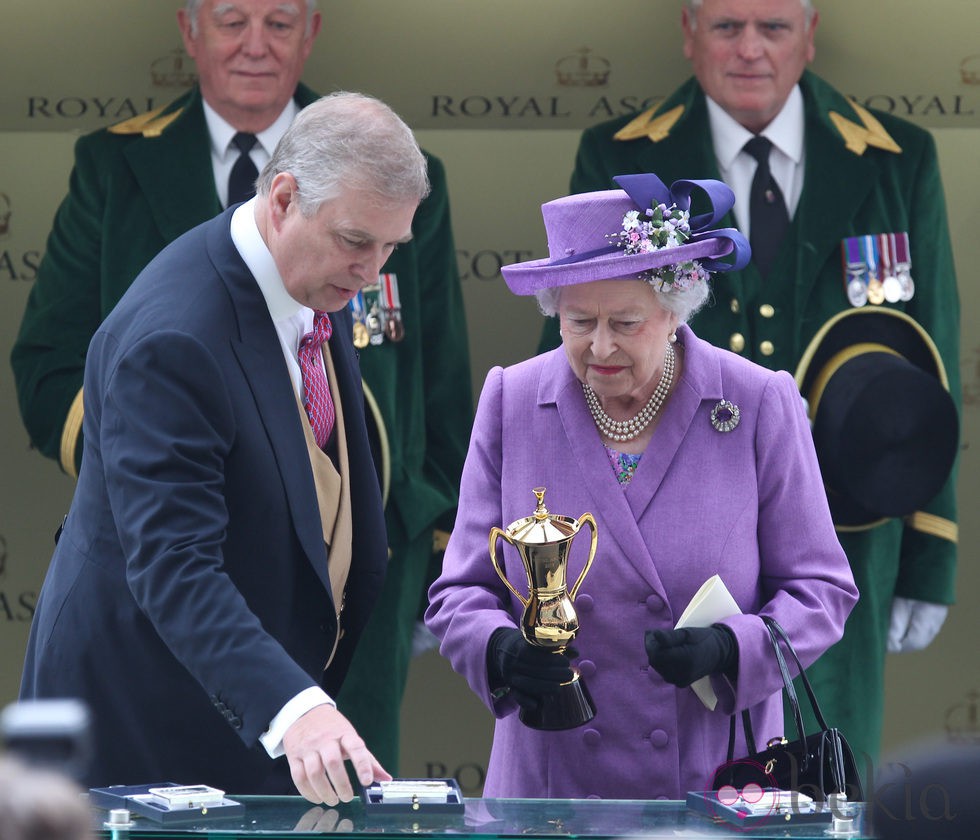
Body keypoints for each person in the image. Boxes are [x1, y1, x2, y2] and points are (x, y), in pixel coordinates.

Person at [10, 0, 471, 774]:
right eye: (358, 243)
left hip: (256, 702)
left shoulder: (307, 275)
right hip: (149, 727)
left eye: (391, 247)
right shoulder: (177, 338)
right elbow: (174, 562)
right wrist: (295, 707)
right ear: (284, 198)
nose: (372, 273)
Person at [538, 0, 960, 770]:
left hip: (845, 533)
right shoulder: (620, 157)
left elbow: (932, 367)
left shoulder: (898, 158)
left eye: (773, 27)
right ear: (689, 33)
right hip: (673, 535)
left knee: (821, 771)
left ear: (810, 33)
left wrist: (929, 549)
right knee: (678, 767)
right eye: (728, 27)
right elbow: (577, 357)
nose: (750, 50)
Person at [425, 173, 858, 799]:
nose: (600, 346)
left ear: (673, 310)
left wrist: (730, 649)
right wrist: (499, 652)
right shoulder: (512, 400)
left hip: (710, 780)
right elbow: (460, 591)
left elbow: (822, 590)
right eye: (578, 322)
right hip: (551, 782)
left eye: (625, 323)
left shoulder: (757, 401)